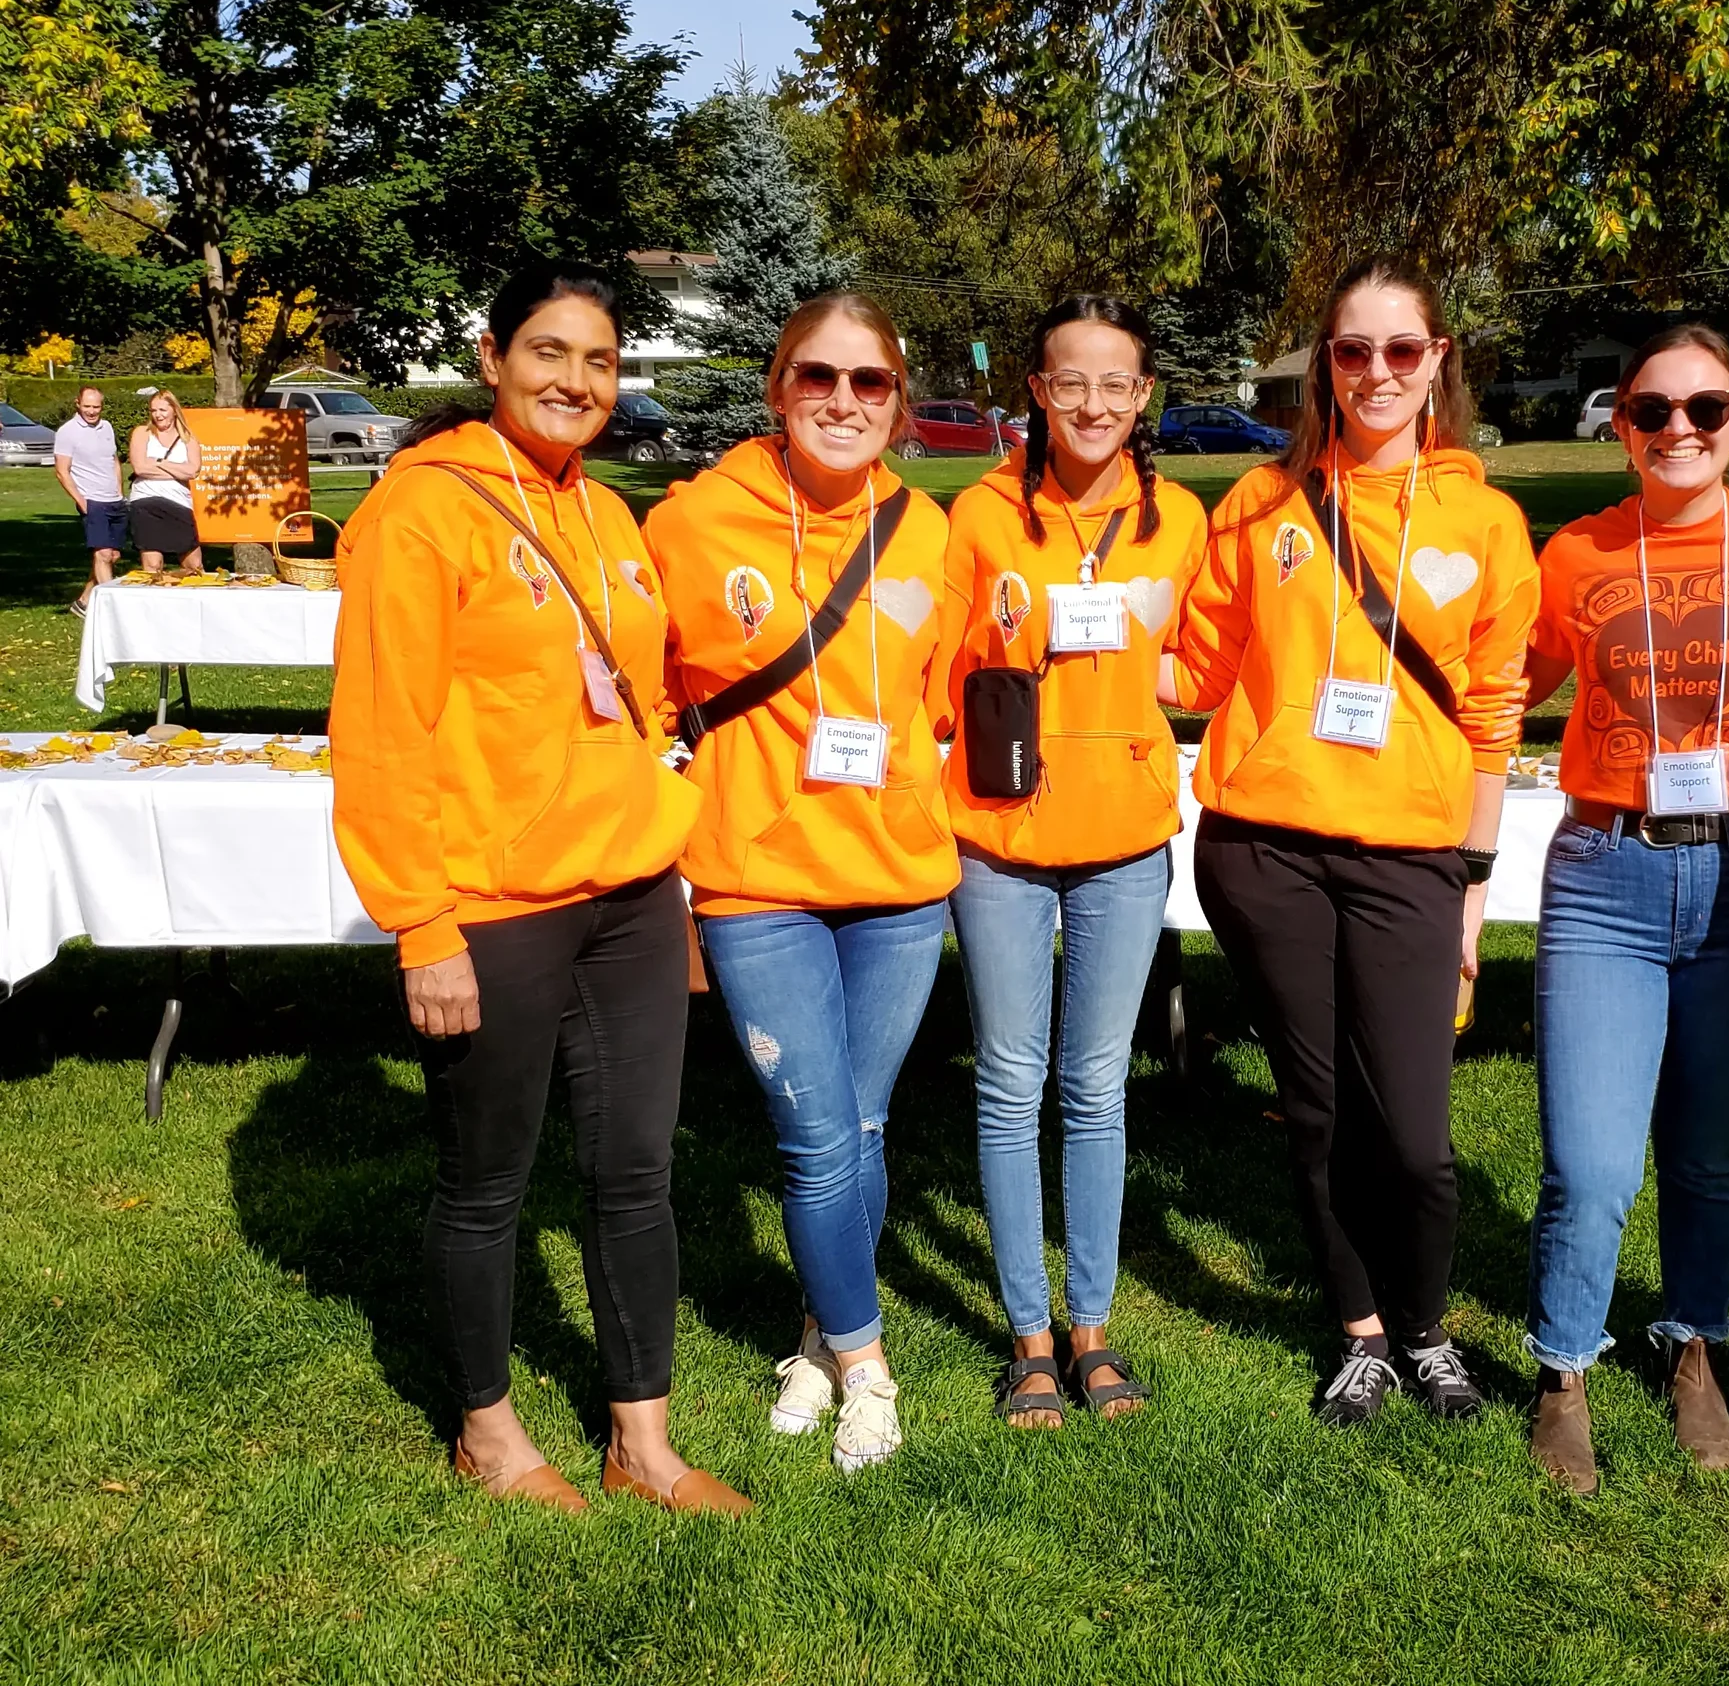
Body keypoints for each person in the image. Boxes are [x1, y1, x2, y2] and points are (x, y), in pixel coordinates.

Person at [332, 261, 745, 1518]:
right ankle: (490, 1430)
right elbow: (381, 732)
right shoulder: (421, 513)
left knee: (635, 1171)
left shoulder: (609, 519)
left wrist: (664, 857)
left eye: (602, 362)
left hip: (626, 892)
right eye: (551, 353)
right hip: (494, 902)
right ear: (493, 353)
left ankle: (641, 1438)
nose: (577, 382)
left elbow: (643, 697)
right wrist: (422, 923)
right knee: (488, 1184)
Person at [1173, 255, 1539, 1425]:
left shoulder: (1484, 520)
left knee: (1417, 1133)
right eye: (1350, 350)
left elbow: (1492, 711)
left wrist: (1474, 880)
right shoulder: (1259, 502)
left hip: (1410, 859)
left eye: (1398, 349)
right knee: (1320, 1106)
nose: (1374, 371)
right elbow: (1194, 664)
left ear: (1437, 361)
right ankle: (1362, 1332)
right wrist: (1079, 638)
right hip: (1263, 847)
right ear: (1324, 365)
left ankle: (1428, 1325)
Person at [644, 292, 956, 1475]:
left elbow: (938, 690)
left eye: (868, 382)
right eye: (817, 377)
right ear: (777, 388)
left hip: (898, 882)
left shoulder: (929, 531)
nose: (841, 400)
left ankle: (821, 1335)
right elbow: (641, 691)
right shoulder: (692, 524)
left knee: (862, 1125)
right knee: (818, 1137)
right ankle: (870, 1365)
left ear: (897, 400)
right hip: (756, 877)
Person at [1517, 324, 1729, 1494]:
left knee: (1705, 1154)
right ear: (1621, 425)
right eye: (1654, 411)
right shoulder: (1579, 550)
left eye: (1706, 408)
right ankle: (1563, 1366)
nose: (1680, 431)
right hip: (1606, 870)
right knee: (1589, 1164)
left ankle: (1694, 1342)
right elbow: (1498, 680)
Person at [935, 294, 1209, 1428]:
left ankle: (1091, 1325)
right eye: (1071, 381)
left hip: (1124, 844)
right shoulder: (981, 516)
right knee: (1009, 1082)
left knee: (1096, 1086)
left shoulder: (1180, 519)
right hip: (1000, 835)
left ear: (1142, 397)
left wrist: (1150, 675)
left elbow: (1208, 661)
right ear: (1036, 393)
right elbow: (938, 666)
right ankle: (1028, 1335)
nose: (1094, 403)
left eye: (1117, 383)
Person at [53, 386, 124, 614]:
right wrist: (82, 502)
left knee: (112, 556)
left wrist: (120, 491)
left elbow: (113, 461)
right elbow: (62, 471)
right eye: (87, 406)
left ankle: (83, 602)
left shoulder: (107, 427)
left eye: (96, 407)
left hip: (114, 499)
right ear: (77, 403)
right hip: (92, 500)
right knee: (102, 554)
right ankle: (110, 610)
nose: (92, 411)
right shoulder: (67, 432)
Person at [129, 389, 205, 573]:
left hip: (179, 503)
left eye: (162, 410)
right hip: (146, 502)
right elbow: (139, 468)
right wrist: (178, 470)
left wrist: (160, 463)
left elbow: (193, 471)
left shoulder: (188, 437)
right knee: (153, 566)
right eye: (153, 410)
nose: (158, 415)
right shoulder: (142, 433)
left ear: (174, 410)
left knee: (194, 566)